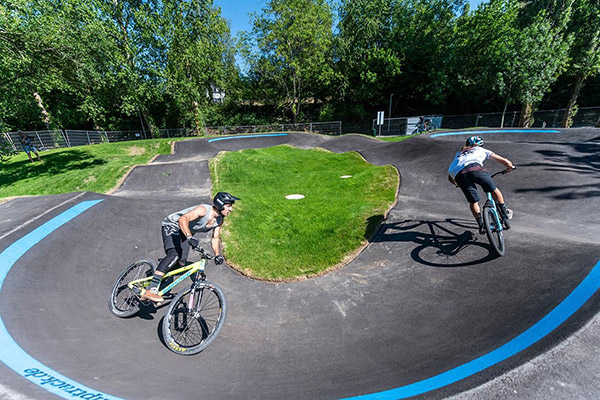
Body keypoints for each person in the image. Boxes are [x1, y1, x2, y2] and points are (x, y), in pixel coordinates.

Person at [141, 192, 240, 303]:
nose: (230, 209)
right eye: (229, 206)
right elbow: (183, 219)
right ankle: (151, 289)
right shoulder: (203, 210)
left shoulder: (219, 220)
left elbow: (215, 238)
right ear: (220, 204)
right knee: (174, 255)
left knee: (181, 263)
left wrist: (217, 255)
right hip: (173, 225)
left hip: (185, 232)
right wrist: (189, 236)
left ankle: (160, 276)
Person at [447, 136, 515, 234]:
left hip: (458, 175)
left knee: (473, 201)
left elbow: (450, 178)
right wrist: (510, 167)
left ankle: (481, 225)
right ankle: (504, 212)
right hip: (475, 169)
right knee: (493, 189)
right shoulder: (480, 150)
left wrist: (458, 184)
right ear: (479, 145)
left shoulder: (458, 154)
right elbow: (504, 161)